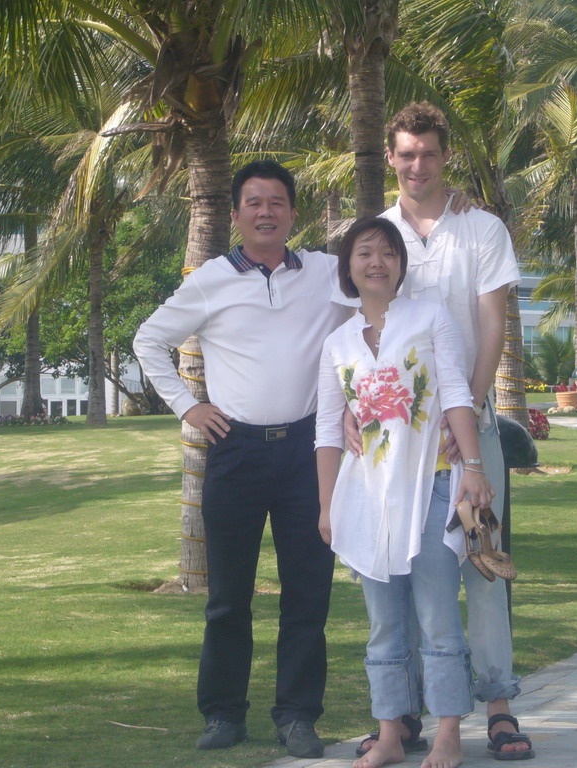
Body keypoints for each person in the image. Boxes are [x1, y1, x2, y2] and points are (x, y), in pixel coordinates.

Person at [132, 160, 351, 759]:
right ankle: (223, 716)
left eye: (277, 202)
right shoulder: (210, 279)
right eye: (253, 202)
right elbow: (148, 340)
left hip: (310, 452)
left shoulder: (329, 274)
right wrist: (188, 407)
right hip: (234, 453)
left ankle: (298, 716)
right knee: (229, 596)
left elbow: (387, 275)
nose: (265, 212)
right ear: (235, 214)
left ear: (292, 213)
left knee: (308, 594)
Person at [351, 102, 533, 760]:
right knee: (395, 569)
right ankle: (399, 719)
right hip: (396, 437)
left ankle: (500, 707)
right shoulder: (377, 234)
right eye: (406, 154)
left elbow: (492, 325)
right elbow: (365, 327)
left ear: (444, 155)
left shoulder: (480, 229)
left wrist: (468, 415)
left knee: (483, 566)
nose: (417, 165)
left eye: (428, 153)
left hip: (470, 427)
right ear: (391, 157)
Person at [317, 217, 495, 768]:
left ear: (401, 265)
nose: (377, 262)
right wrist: (326, 508)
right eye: (365, 253)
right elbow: (327, 430)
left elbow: (456, 392)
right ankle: (389, 734)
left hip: (433, 485)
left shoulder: (429, 317)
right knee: (383, 625)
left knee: (438, 615)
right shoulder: (337, 343)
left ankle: (447, 733)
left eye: (388, 252)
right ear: (348, 268)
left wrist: (472, 464)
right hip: (366, 498)